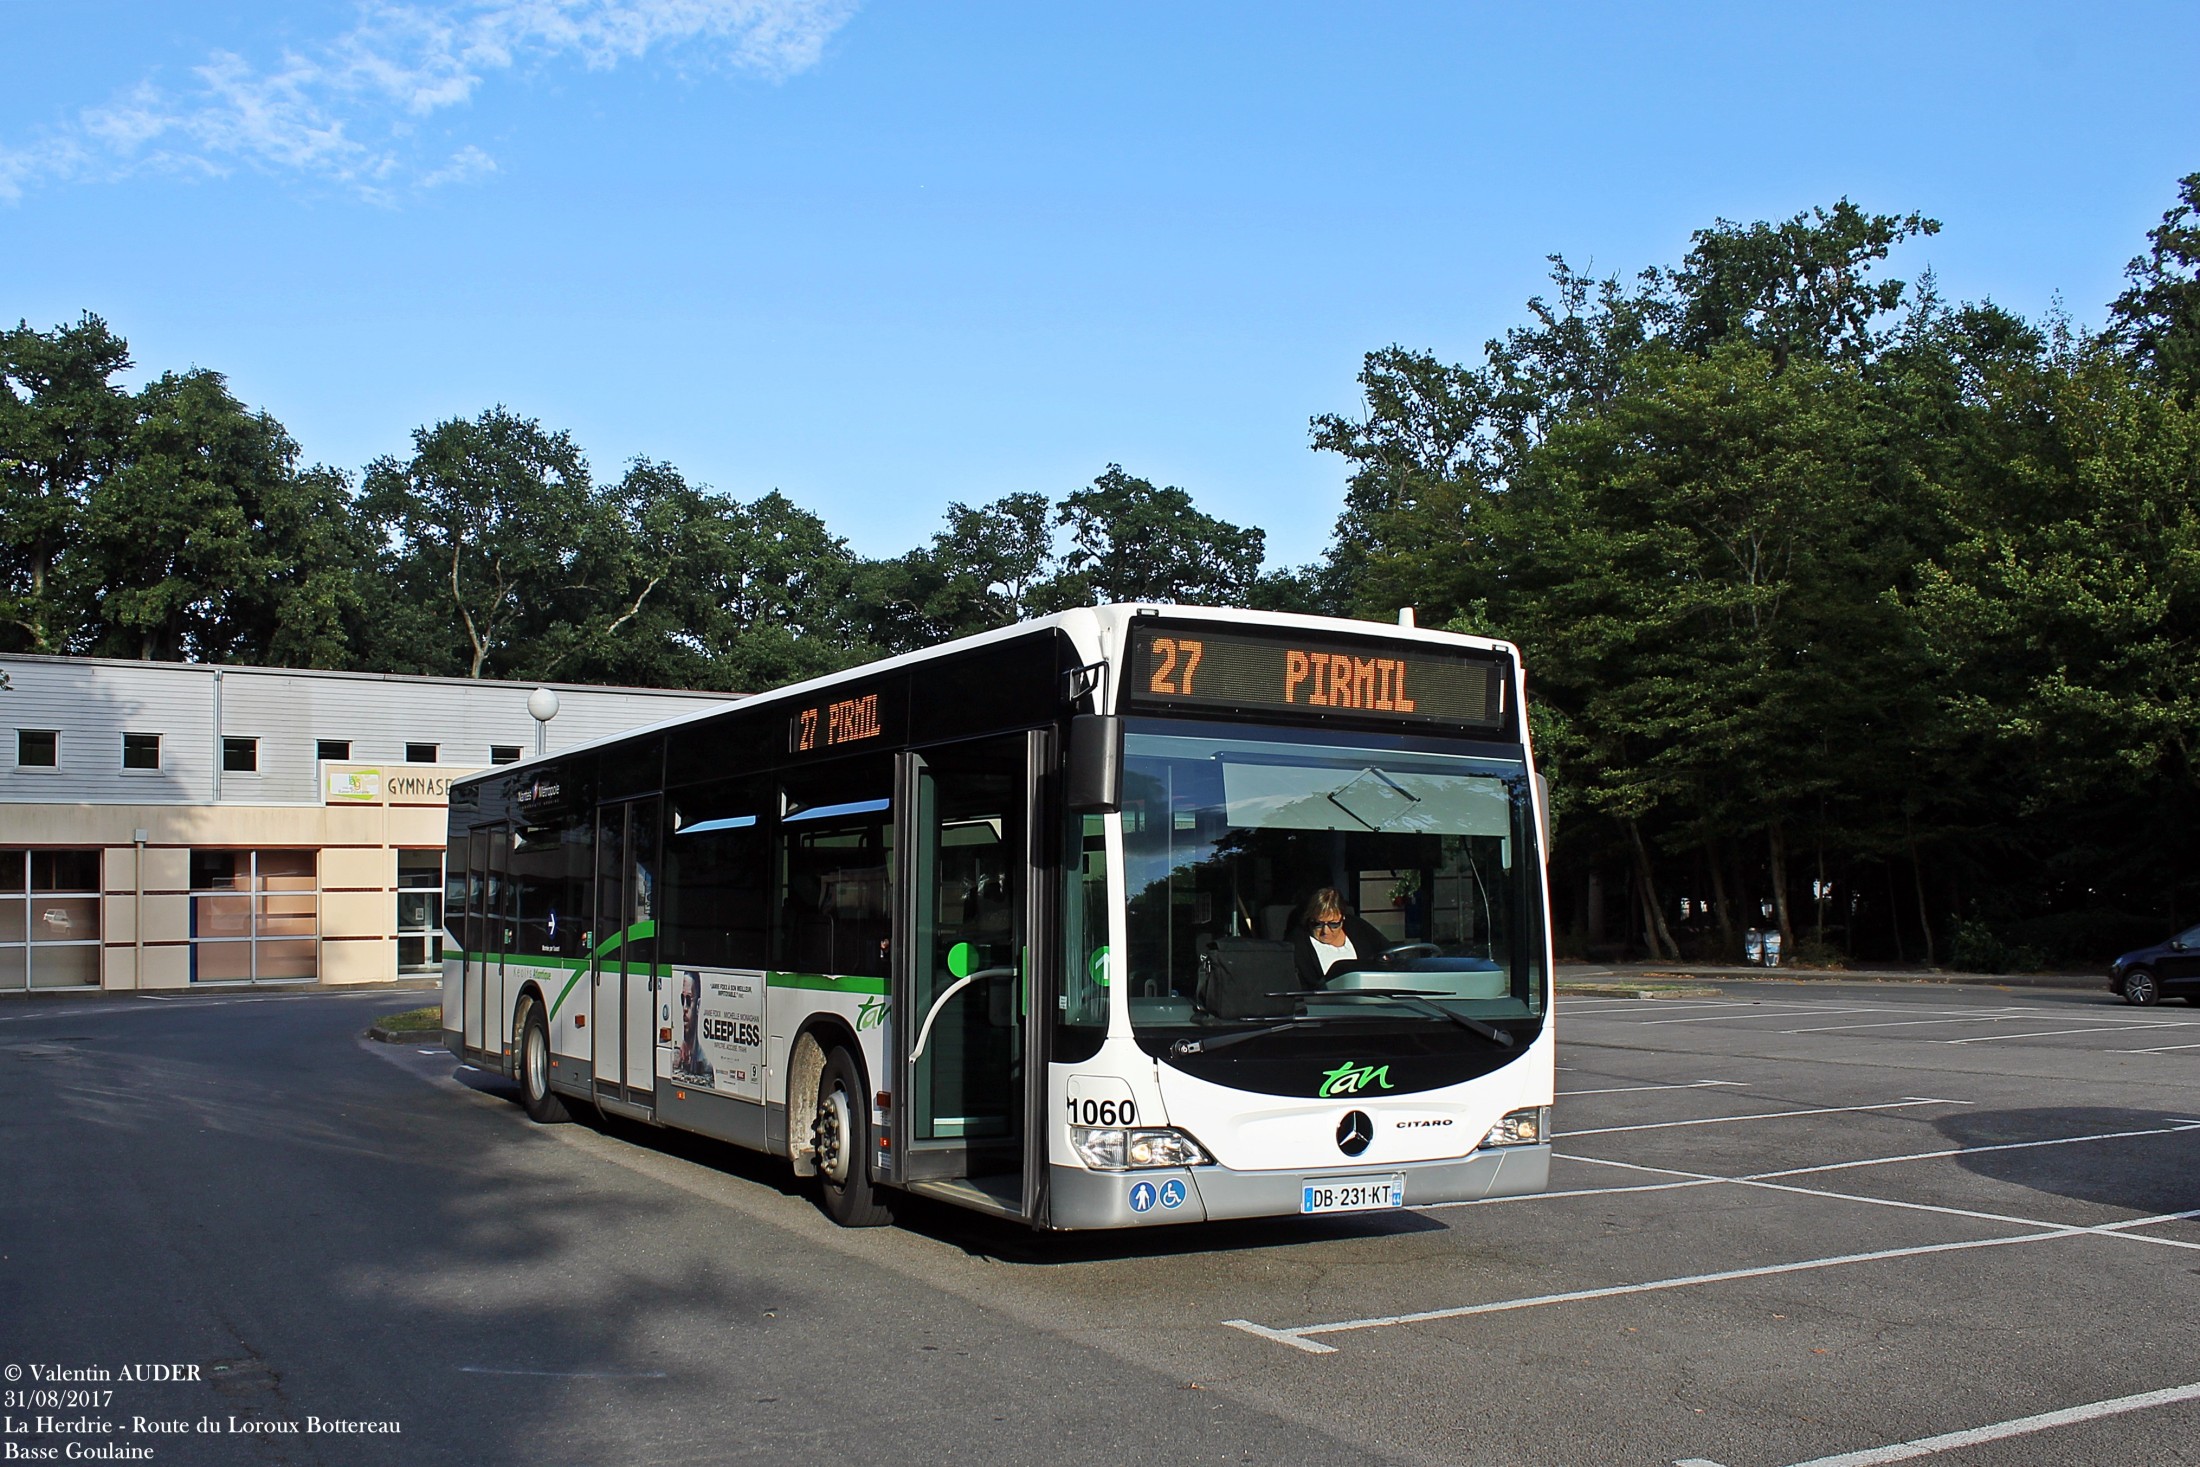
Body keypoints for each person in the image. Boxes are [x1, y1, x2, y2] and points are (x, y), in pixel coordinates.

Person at [1292, 887, 1391, 987]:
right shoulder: (1299, 941)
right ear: (1309, 919)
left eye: (1333, 924)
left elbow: (1388, 951)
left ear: (1343, 918)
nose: (1325, 931)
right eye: (1318, 924)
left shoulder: (1357, 927)